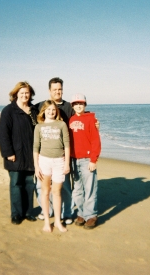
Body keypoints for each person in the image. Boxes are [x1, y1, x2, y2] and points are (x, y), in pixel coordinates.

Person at [0, 81, 39, 225]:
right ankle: (16, 214)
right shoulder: (8, 111)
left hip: (31, 155)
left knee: (29, 184)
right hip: (15, 155)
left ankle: (28, 212)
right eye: (21, 93)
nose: (24, 95)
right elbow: (3, 134)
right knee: (16, 184)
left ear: (31, 94)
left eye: (27, 93)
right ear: (16, 94)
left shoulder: (34, 110)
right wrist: (8, 152)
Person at [35, 77, 74, 224]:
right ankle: (47, 211)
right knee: (42, 186)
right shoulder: (41, 106)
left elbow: (81, 116)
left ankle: (67, 213)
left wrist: (94, 122)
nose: (57, 92)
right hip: (45, 156)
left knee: (64, 187)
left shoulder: (69, 107)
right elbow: (28, 114)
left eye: (60, 89)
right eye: (54, 89)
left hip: (61, 156)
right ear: (49, 91)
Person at [33, 100, 70, 232]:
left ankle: (58, 222)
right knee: (45, 192)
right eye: (48, 109)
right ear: (43, 111)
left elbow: (66, 145)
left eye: (53, 110)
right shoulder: (39, 127)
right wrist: (36, 167)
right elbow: (36, 147)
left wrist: (66, 163)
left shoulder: (61, 124)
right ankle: (47, 222)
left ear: (56, 111)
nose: (51, 112)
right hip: (44, 162)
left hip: (59, 161)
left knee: (56, 192)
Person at [69, 93, 101, 230]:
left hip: (87, 159)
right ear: (72, 106)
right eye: (75, 104)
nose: (78, 106)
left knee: (90, 188)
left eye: (81, 103)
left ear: (85, 105)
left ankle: (91, 215)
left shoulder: (90, 119)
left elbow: (96, 141)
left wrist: (93, 160)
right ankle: (81, 212)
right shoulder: (70, 120)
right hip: (73, 159)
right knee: (77, 190)